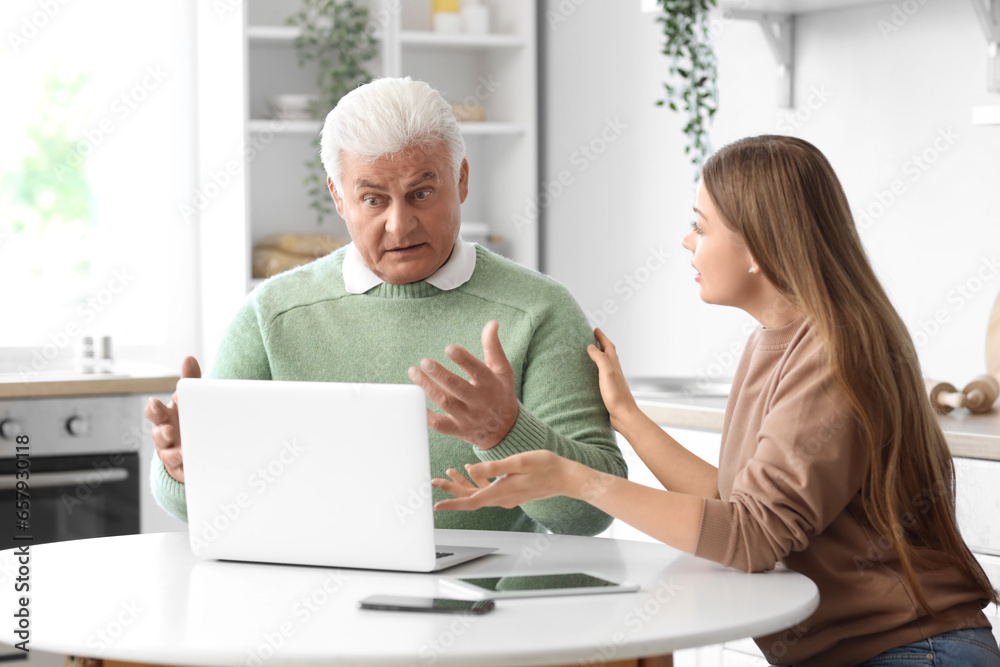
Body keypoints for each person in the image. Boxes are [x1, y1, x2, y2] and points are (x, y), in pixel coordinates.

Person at [431, 135, 1000, 666]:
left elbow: (751, 538)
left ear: (756, 245)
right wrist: (626, 416)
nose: (687, 241)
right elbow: (736, 505)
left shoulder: (832, 353)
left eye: (699, 227)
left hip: (915, 651)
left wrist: (576, 479)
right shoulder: (775, 340)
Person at [145, 76, 626, 537]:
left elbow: (590, 514)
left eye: (421, 193)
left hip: (489, 604)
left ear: (460, 181)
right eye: (374, 200)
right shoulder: (273, 315)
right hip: (314, 598)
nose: (400, 225)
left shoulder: (540, 311)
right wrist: (186, 467)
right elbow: (196, 505)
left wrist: (507, 431)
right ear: (338, 197)